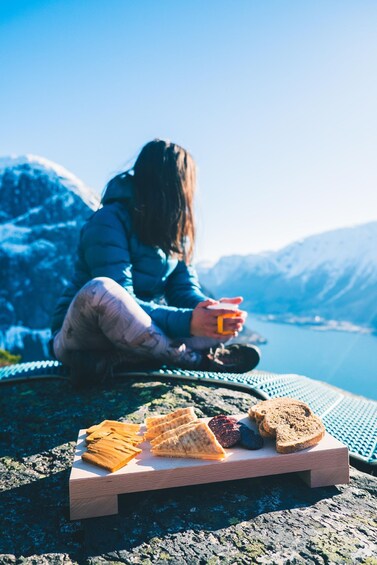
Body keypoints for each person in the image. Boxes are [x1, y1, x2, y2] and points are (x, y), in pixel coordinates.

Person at [51, 139, 260, 386]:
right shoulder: (109, 220)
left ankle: (123, 359)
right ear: (171, 185)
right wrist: (188, 322)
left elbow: (182, 289)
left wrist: (209, 311)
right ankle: (194, 361)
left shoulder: (174, 232)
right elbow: (121, 299)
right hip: (83, 336)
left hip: (139, 334)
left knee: (214, 332)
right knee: (102, 290)